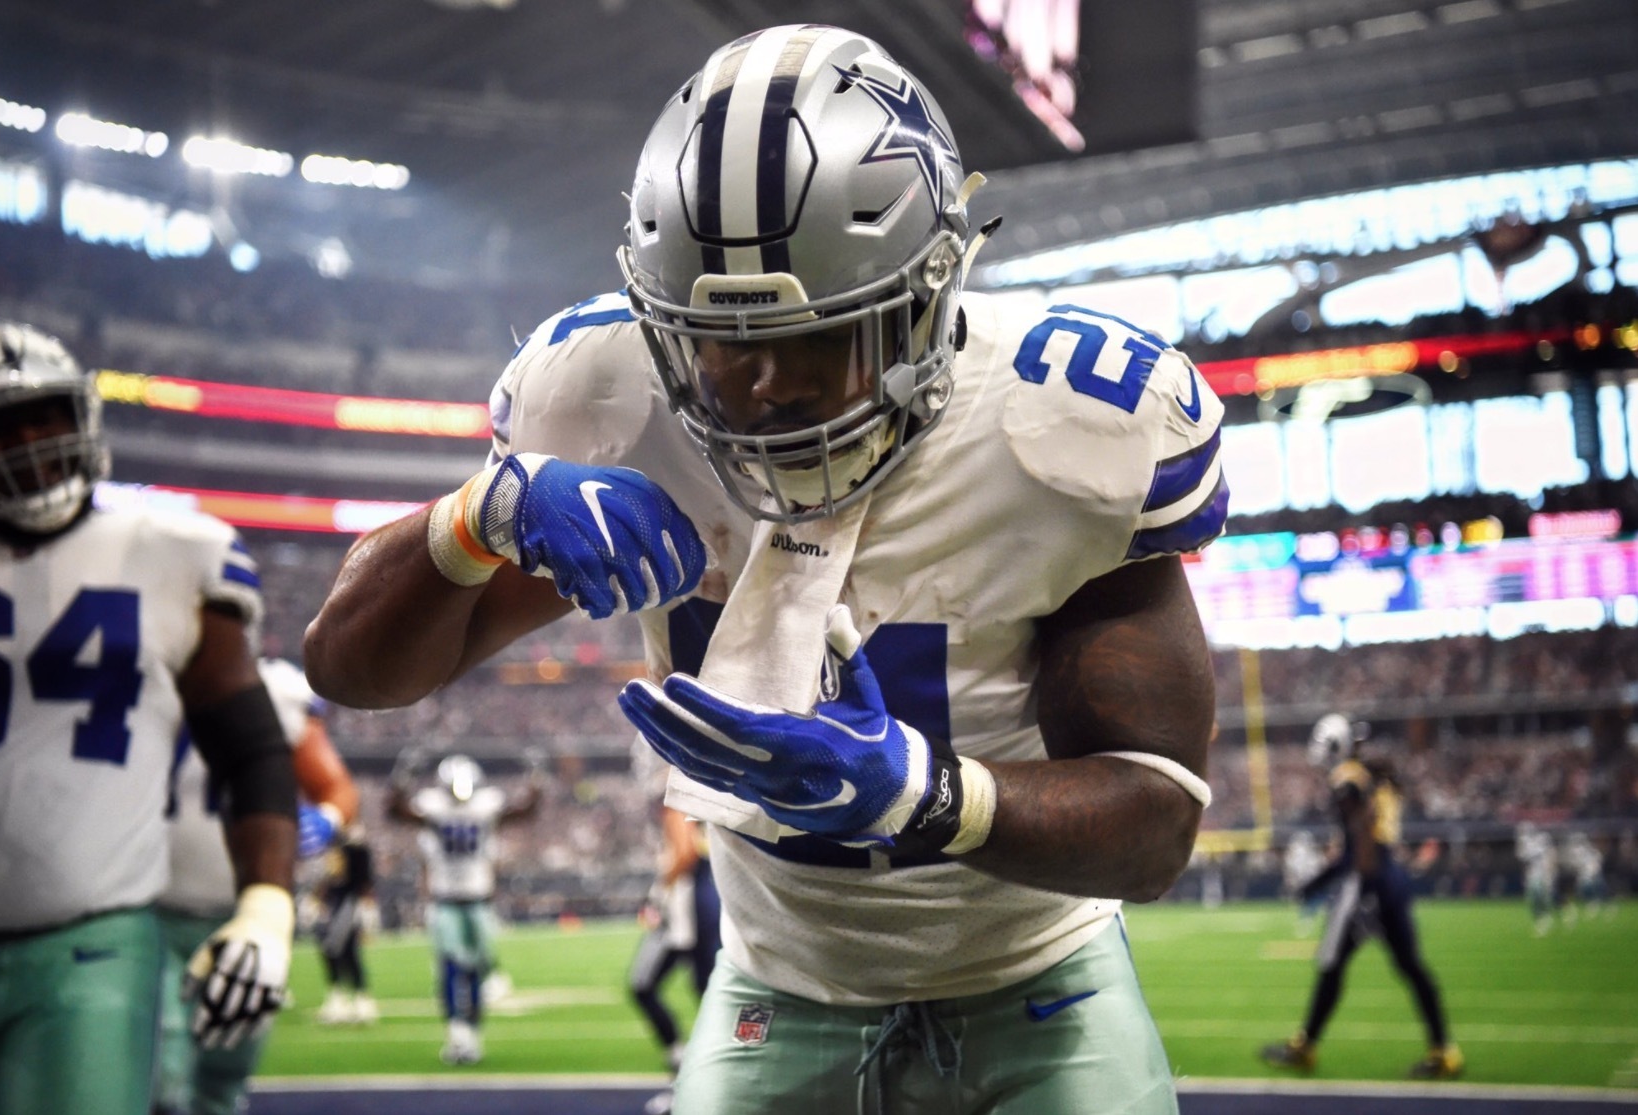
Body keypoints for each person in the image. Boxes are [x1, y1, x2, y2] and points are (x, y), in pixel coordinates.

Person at [307, 25, 1225, 1114]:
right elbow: (351, 668)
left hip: (1036, 978)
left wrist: (927, 796)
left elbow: (1153, 825)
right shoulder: (606, 399)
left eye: (815, 339)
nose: (758, 388)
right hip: (775, 983)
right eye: (716, 339)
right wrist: (479, 515)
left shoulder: (1058, 426)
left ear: (928, 298)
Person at [0, 319, 297, 1115]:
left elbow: (249, 746)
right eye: (0, 426)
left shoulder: (171, 546)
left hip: (91, 942)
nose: (30, 441)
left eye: (44, 415)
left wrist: (265, 903)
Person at [155, 655, 360, 1114]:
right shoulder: (147, 666)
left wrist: (325, 820)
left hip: (250, 912)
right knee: (161, 1081)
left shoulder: (277, 689)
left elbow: (336, 787)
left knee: (222, 1081)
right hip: (150, 913)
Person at [1261, 714, 1462, 1080]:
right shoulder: (1371, 775)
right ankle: (1444, 1050)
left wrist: (1318, 884)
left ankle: (1305, 1047)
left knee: (1332, 964)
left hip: (1366, 882)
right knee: (1407, 967)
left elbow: (1359, 844)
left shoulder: (1348, 780)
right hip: (1390, 879)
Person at [388, 754, 539, 1065]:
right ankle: (459, 1033)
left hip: (478, 900)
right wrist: (401, 778)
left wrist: (536, 779)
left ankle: (471, 1032)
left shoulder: (484, 806)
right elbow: (396, 811)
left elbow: (525, 811)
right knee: (452, 967)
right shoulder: (434, 807)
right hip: (446, 901)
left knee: (478, 970)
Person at [629, 800, 720, 1115]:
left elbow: (685, 852)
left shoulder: (678, 802)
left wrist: (658, 890)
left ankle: (685, 1073)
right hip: (709, 903)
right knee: (709, 998)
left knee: (643, 984)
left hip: (688, 910)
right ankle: (702, 1082)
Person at [310, 826, 379, 1026]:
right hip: (336, 903)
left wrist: (366, 905)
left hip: (349, 902)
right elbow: (328, 879)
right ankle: (344, 997)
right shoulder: (332, 847)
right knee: (334, 949)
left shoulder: (355, 849)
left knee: (343, 949)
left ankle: (358, 999)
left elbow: (363, 880)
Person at [1516, 821, 1559, 935]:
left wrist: (1550, 871)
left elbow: (1551, 855)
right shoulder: (1525, 845)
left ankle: (1545, 916)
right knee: (1532, 896)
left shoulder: (1542, 839)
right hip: (1532, 873)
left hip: (1544, 872)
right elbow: (1522, 858)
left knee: (1542, 893)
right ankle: (1539, 918)